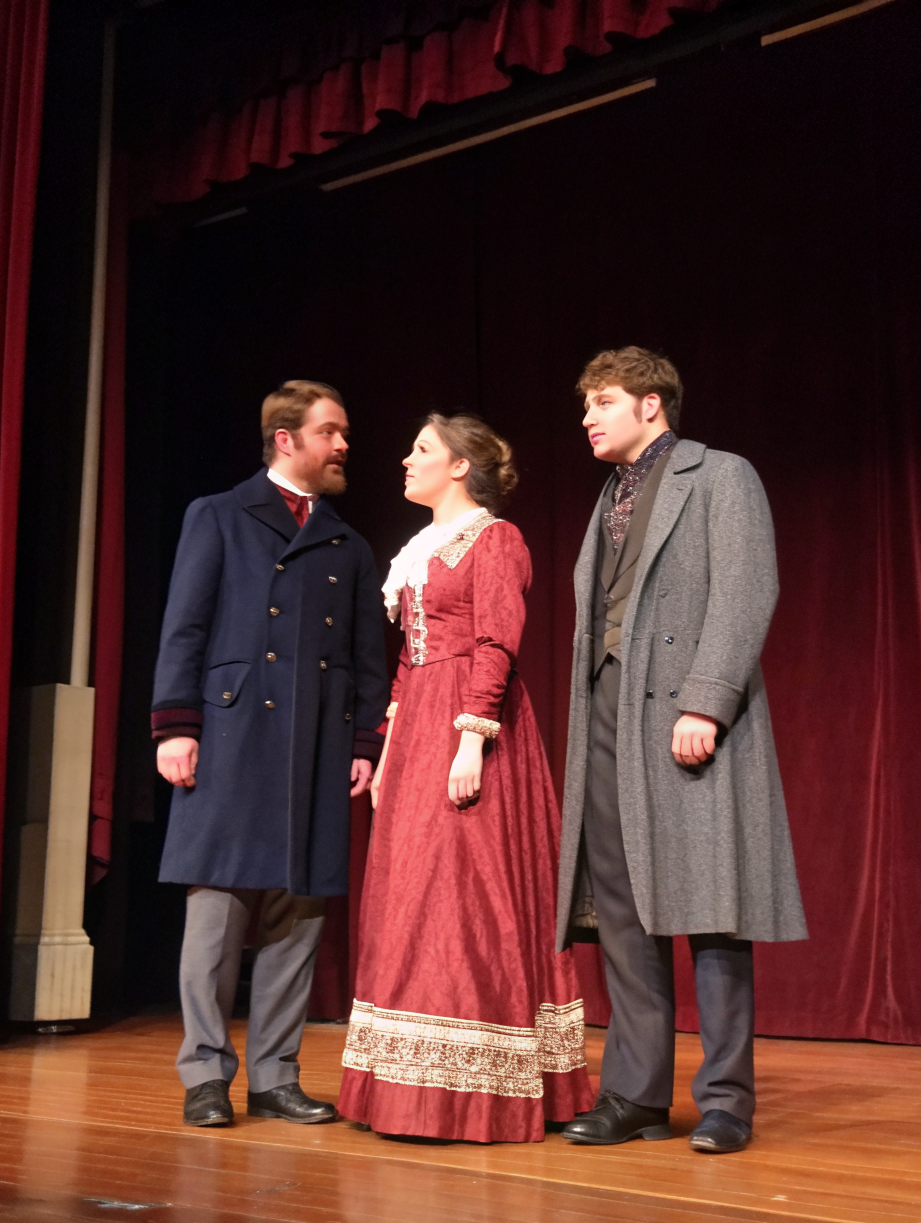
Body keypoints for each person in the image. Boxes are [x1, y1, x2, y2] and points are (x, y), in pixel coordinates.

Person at [557, 347, 807, 1154]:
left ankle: (727, 1099)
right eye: (585, 404)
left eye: (602, 401)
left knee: (714, 908)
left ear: (652, 404)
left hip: (686, 711)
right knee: (625, 909)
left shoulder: (720, 475)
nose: (588, 416)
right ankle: (635, 1093)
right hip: (608, 708)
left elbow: (745, 588)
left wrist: (707, 699)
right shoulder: (609, 495)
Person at [338, 413, 595, 1143]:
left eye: (422, 449)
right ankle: (406, 1088)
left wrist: (473, 739)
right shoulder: (420, 549)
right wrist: (388, 750)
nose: (406, 459)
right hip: (418, 724)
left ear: (460, 467)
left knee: (463, 896)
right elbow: (408, 659)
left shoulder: (495, 538)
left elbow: (496, 640)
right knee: (412, 893)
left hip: (468, 726)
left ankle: (474, 1091)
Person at [153, 380, 388, 1127]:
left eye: (344, 432)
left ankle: (275, 1075)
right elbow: (184, 627)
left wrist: (362, 743)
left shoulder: (348, 545)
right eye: (331, 431)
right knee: (216, 915)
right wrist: (175, 726)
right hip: (229, 737)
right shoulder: (220, 515)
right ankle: (204, 1075)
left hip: (315, 744)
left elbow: (364, 658)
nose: (343, 444)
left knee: (298, 915)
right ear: (287, 438)